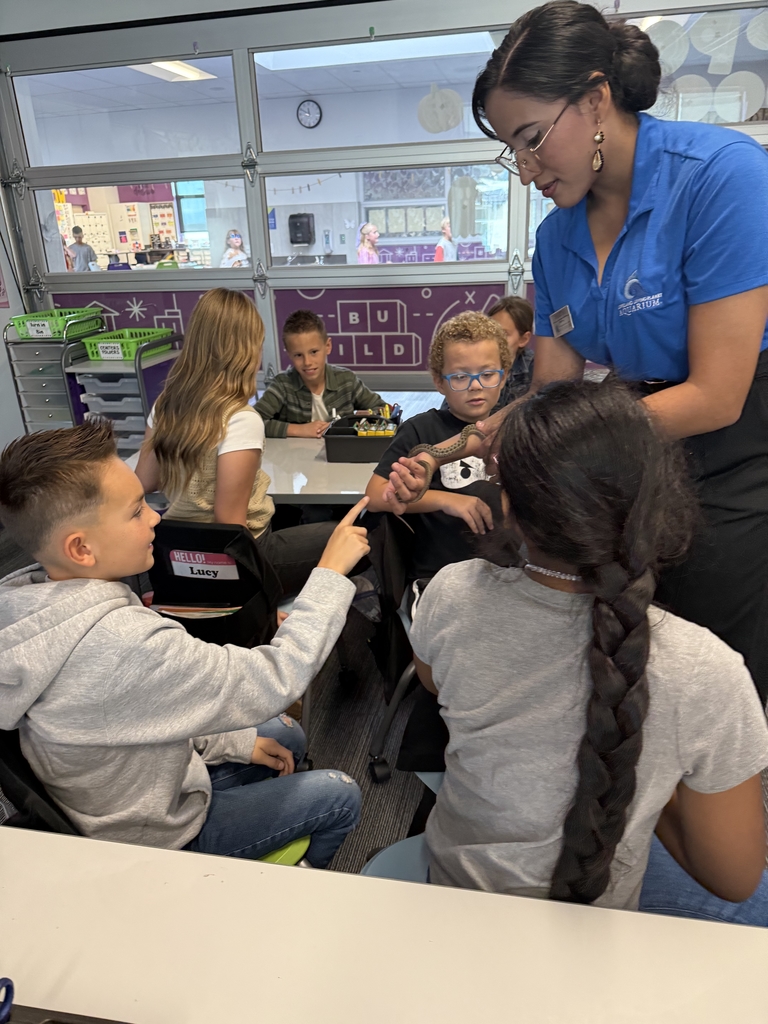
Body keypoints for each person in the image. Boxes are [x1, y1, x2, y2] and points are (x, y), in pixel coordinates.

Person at [383, 1, 768, 703]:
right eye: (512, 151)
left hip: (738, 441)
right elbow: (550, 395)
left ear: (594, 100)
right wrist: (445, 453)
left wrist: (553, 440)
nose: (526, 171)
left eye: (532, 139)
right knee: (619, 645)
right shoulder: (558, 236)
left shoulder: (720, 177)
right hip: (629, 436)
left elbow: (718, 395)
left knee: (709, 664)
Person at [411, 380, 768, 924]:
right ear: (659, 497)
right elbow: (733, 876)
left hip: (455, 897)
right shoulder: (707, 671)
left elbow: (434, 682)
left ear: (509, 504)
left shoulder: (451, 594)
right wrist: (642, 762)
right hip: (602, 925)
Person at [0, 418, 368, 866]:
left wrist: (230, 744)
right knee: (338, 795)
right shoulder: (125, 643)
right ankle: (276, 897)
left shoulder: (28, 603)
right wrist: (328, 575)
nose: (155, 516)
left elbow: (140, 713)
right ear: (81, 549)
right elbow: (276, 678)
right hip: (156, 839)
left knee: (283, 734)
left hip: (121, 792)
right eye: (136, 511)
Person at [136, 290, 339, 595]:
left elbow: (145, 481)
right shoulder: (240, 420)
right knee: (352, 536)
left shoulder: (165, 404)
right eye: (258, 345)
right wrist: (262, 601)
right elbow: (230, 529)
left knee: (289, 516)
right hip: (237, 557)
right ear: (245, 351)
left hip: (177, 550)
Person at [366, 312, 509, 581]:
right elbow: (375, 496)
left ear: (504, 376)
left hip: (504, 574)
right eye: (459, 377)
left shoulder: (514, 428)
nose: (475, 386)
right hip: (436, 576)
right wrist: (445, 500)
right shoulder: (420, 430)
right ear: (438, 382)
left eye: (488, 374)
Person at [255, 309, 385, 439]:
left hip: (341, 455)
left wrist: (359, 420)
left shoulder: (347, 380)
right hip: (293, 457)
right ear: (289, 354)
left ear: (328, 346)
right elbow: (254, 422)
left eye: (314, 352)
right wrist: (299, 430)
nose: (307, 362)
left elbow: (382, 410)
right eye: (298, 355)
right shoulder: (282, 385)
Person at [487, 296, 534, 408]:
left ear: (523, 339)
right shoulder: (473, 361)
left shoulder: (536, 369)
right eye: (490, 331)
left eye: (504, 334)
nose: (495, 339)